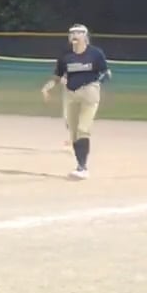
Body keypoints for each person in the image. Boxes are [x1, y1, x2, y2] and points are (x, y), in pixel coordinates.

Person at [42, 23, 111, 180]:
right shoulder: (65, 55)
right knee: (73, 132)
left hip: (89, 93)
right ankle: (80, 164)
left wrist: (96, 82)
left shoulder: (95, 53)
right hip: (71, 94)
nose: (74, 36)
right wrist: (47, 87)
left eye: (78, 33)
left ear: (85, 36)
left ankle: (82, 167)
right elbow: (58, 76)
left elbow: (106, 73)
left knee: (83, 129)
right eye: (72, 33)